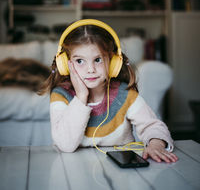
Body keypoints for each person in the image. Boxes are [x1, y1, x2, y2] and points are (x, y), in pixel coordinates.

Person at [41, 19, 178, 163]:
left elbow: (153, 125)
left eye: (98, 59)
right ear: (65, 64)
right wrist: (81, 97)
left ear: (113, 62)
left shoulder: (125, 95)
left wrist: (156, 144)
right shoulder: (61, 95)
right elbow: (66, 145)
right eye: (80, 61)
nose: (90, 69)